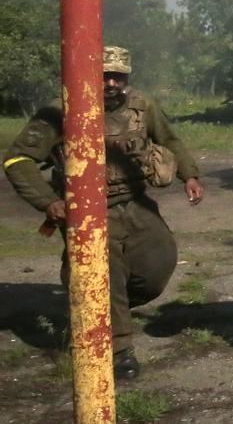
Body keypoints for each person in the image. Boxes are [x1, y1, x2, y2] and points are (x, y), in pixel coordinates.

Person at [3, 45, 205, 379]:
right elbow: (17, 160)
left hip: (137, 203)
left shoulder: (142, 105)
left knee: (159, 266)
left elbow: (169, 139)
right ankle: (118, 350)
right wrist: (48, 202)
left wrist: (190, 175)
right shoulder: (58, 112)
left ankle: (102, 310)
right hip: (88, 212)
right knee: (106, 276)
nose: (110, 83)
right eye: (103, 76)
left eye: (117, 76)